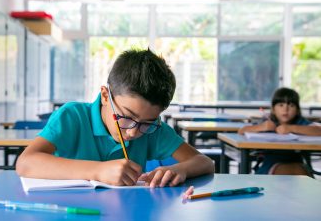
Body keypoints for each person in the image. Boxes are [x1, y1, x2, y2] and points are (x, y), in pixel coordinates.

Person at [16, 49, 214, 187]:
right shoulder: (73, 116)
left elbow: (204, 162)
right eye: (126, 117)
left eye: (146, 123)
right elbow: (26, 163)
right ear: (105, 95)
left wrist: (181, 170)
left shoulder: (154, 130)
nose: (133, 132)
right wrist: (98, 171)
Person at [238, 87, 321, 175]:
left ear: (297, 110)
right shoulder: (268, 122)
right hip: (270, 164)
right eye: (281, 105)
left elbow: (318, 130)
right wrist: (262, 127)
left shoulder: (299, 122)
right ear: (273, 109)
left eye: (291, 106)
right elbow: (242, 131)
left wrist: (291, 128)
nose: (285, 110)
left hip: (297, 162)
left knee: (299, 172)